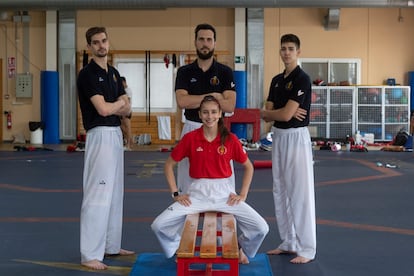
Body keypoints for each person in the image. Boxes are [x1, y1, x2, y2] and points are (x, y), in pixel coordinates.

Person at [151, 95, 269, 264]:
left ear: (221, 114)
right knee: (158, 225)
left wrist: (242, 195)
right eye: (205, 112)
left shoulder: (230, 139)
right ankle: (177, 248)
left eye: (214, 112)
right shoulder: (191, 138)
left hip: (224, 195)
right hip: (196, 194)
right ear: (199, 114)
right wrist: (176, 193)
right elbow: (169, 165)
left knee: (261, 228)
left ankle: (241, 246)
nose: (209, 116)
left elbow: (248, 166)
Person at [77, 26, 134, 270]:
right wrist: (119, 103)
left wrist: (119, 107)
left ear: (108, 43)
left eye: (104, 41)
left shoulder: (113, 73)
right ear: (89, 47)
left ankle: (111, 245)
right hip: (98, 134)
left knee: (115, 194)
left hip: (114, 136)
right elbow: (102, 110)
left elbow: (128, 109)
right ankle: (89, 253)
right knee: (98, 195)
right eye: (96, 43)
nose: (101, 46)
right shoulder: (87, 75)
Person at [261, 33, 316, 264]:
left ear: (298, 52)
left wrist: (281, 112)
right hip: (279, 137)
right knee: (280, 190)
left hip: (296, 137)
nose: (286, 52)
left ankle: (308, 248)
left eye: (290, 49)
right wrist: (282, 112)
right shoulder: (276, 80)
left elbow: (279, 114)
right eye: (283, 48)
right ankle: (288, 241)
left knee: (300, 192)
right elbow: (265, 114)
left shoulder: (303, 79)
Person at [175, 23, 236, 195]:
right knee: (187, 185)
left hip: (217, 131)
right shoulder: (184, 72)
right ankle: (188, 221)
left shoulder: (225, 72)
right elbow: (182, 101)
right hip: (191, 128)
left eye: (209, 39)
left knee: (222, 185)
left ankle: (219, 221)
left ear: (214, 43)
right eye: (201, 39)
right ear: (195, 42)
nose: (205, 43)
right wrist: (213, 97)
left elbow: (230, 105)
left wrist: (195, 101)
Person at [120, 76, 133, 150]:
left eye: (122, 83)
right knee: (123, 128)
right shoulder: (124, 90)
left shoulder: (128, 90)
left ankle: (129, 145)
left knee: (128, 129)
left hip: (127, 112)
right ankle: (130, 141)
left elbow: (127, 101)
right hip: (123, 112)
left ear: (125, 82)